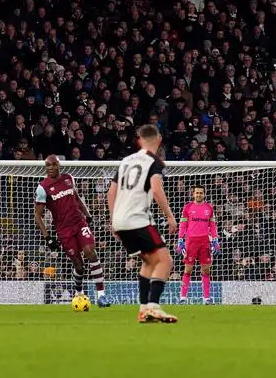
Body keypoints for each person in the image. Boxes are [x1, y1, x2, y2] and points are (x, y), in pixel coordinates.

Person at [107, 125, 178, 323]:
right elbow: (156, 190)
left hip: (120, 220)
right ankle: (154, 306)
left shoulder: (125, 161)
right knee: (166, 261)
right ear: (159, 139)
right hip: (138, 219)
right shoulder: (154, 162)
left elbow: (111, 192)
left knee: (149, 262)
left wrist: (114, 221)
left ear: (139, 140)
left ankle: (143, 309)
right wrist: (170, 217)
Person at [34, 155, 110, 307]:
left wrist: (88, 215)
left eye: (53, 165)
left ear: (58, 165)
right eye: (47, 165)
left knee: (90, 252)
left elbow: (76, 197)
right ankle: (78, 291)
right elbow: (37, 214)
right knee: (79, 265)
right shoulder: (43, 187)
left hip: (79, 222)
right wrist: (48, 238)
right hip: (64, 230)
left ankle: (101, 296)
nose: (50, 168)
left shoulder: (69, 178)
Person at [177, 186, 219, 303]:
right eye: (197, 193)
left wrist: (215, 240)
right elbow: (183, 225)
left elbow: (213, 226)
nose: (199, 195)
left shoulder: (209, 208)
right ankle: (183, 297)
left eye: (201, 193)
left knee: (206, 270)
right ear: (193, 194)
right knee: (188, 269)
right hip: (191, 242)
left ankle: (206, 298)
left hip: (205, 241)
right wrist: (180, 240)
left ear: (204, 194)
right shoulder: (188, 207)